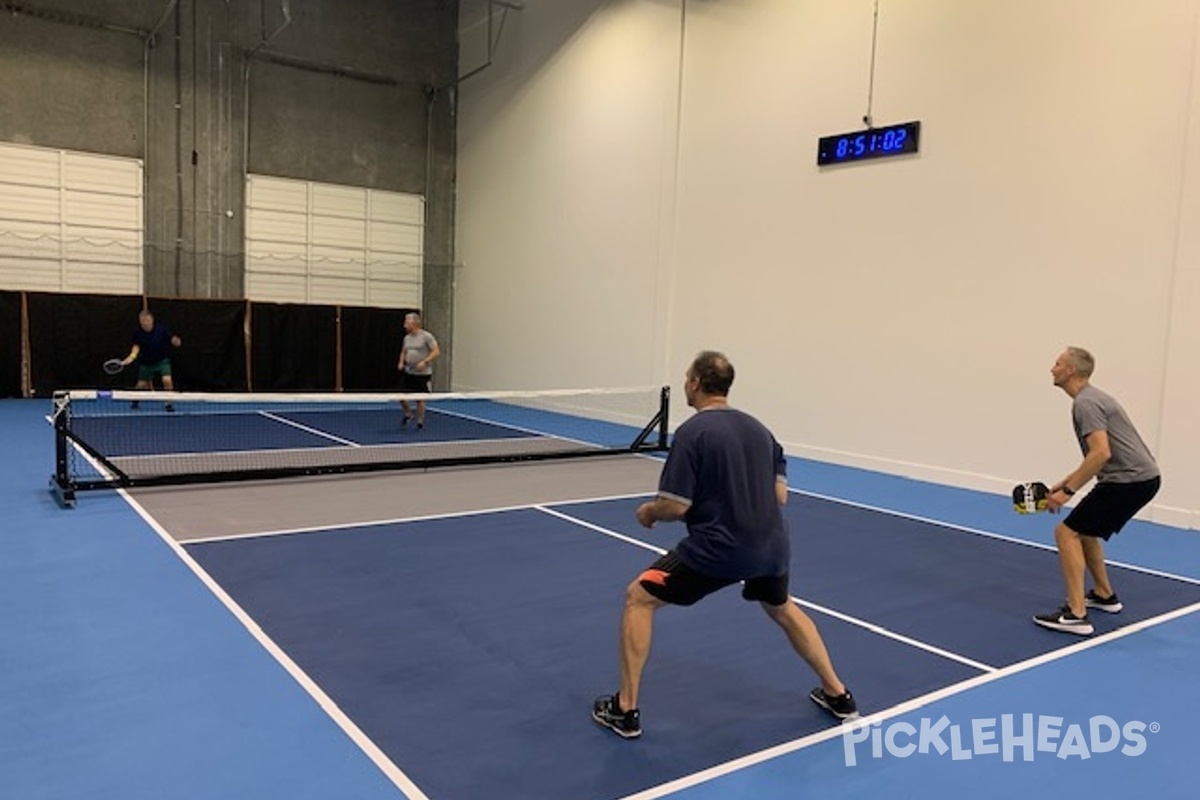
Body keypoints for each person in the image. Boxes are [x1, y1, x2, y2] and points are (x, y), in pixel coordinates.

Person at [592, 351, 857, 739]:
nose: (685, 384)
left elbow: (676, 505)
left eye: (687, 378)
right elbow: (779, 496)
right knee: (782, 608)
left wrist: (650, 511)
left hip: (718, 551)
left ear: (696, 383)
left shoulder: (693, 433)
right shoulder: (760, 430)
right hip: (772, 547)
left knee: (638, 598)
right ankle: (838, 694)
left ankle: (625, 709)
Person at [1033, 346, 1161, 636]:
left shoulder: (1085, 404)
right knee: (1085, 530)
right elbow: (1099, 455)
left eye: (1057, 363)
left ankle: (1076, 614)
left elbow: (1100, 453)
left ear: (1071, 371)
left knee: (1065, 532)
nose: (1052, 368)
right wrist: (1066, 481)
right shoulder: (1092, 399)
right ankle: (1104, 595)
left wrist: (1068, 490)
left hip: (1129, 481)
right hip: (1139, 479)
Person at [120, 309, 181, 410]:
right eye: (142, 321)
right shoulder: (137, 333)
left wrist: (175, 341)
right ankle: (135, 400)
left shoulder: (161, 329)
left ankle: (168, 403)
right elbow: (136, 347)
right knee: (140, 385)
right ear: (140, 322)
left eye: (147, 320)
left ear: (152, 320)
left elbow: (171, 338)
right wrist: (131, 357)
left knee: (167, 380)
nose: (145, 323)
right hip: (146, 363)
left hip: (162, 361)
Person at [397, 312, 440, 429]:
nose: (404, 325)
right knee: (401, 396)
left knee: (420, 399)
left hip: (422, 374)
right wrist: (401, 362)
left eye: (407, 322)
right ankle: (408, 414)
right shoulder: (407, 338)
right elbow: (404, 351)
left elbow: (436, 351)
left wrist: (425, 362)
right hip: (409, 372)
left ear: (415, 323)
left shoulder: (427, 336)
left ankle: (420, 422)